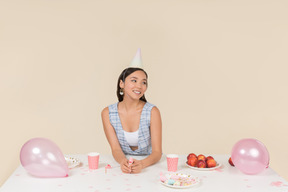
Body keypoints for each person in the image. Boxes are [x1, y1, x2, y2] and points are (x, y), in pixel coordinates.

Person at [101, 49, 162, 174]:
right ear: (121, 83)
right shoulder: (107, 113)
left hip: (149, 166)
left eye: (143, 82)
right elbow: (116, 149)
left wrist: (142, 164)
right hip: (123, 166)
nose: (139, 86)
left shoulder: (152, 112)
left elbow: (157, 153)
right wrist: (123, 162)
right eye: (134, 80)